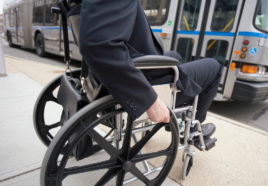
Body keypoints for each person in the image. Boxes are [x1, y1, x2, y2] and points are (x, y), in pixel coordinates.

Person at [78, 0, 222, 139]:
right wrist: (149, 100)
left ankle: (179, 116)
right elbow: (100, 46)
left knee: (175, 56)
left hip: (122, 68)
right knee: (214, 67)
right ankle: (191, 128)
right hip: (143, 76)